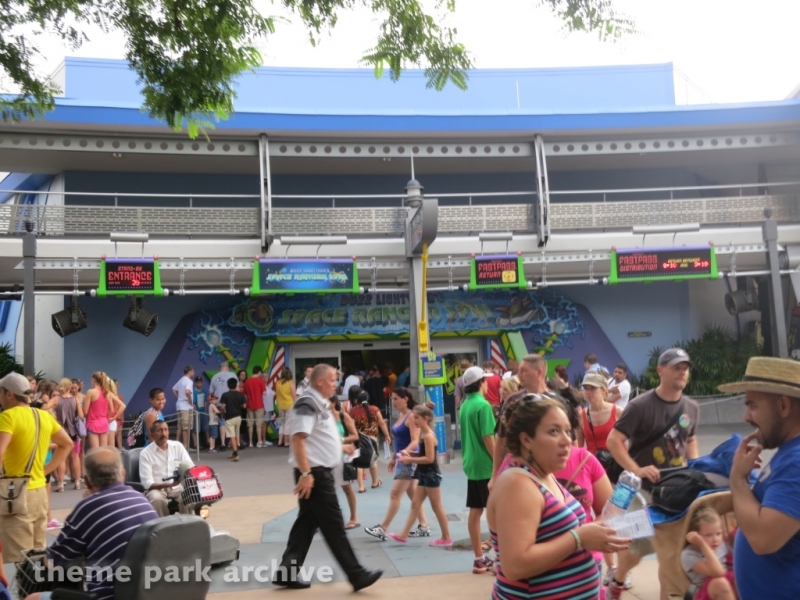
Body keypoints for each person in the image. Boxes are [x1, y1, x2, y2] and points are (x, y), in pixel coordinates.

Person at [487, 395, 630, 600]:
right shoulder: (517, 484)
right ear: (526, 439)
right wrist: (579, 538)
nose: (566, 440)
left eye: (567, 430)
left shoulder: (544, 475)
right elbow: (515, 565)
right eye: (554, 431)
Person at [273, 364, 382, 591]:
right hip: (314, 474)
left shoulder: (320, 404)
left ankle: (287, 571)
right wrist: (305, 474)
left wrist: (340, 448)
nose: (336, 384)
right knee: (333, 526)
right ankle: (356, 574)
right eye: (332, 380)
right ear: (320, 381)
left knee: (306, 523)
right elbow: (298, 439)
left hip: (318, 472)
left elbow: (316, 438)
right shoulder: (306, 403)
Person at [605, 348, 700, 599]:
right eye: (676, 367)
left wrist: (696, 466)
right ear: (660, 370)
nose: (682, 372)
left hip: (677, 490)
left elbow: (690, 439)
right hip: (642, 490)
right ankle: (618, 578)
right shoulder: (640, 406)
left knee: (670, 553)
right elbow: (614, 441)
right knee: (637, 550)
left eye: (685, 367)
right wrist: (636, 469)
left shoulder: (691, 407)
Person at [26, 447, 159, 600]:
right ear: (123, 474)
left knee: (32, 597)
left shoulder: (88, 507)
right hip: (147, 591)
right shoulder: (142, 499)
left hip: (108, 595)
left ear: (87, 481)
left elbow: (55, 560)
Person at [718, 356, 800, 600]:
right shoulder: (788, 455)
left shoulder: (797, 462)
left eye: (752, 405)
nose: (746, 417)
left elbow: (764, 539)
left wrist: (737, 479)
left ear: (783, 406)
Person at [0, 373, 73, 562]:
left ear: (9, 394)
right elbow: (67, 444)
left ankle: (27, 592)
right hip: (40, 492)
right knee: (38, 556)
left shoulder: (7, 417)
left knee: (21, 561)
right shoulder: (43, 416)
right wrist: (47, 470)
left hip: (15, 494)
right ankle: (39, 591)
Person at [366, 387, 429, 541]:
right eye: (392, 399)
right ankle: (424, 526)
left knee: (395, 493)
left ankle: (383, 528)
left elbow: (415, 441)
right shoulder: (401, 415)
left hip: (408, 460)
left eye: (395, 399)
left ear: (405, 399)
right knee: (413, 493)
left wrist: (402, 454)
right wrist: (394, 456)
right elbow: (400, 441)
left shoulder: (411, 415)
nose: (392, 402)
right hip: (403, 458)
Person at [386, 404, 452, 547]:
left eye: (416, 418)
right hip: (423, 473)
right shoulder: (424, 434)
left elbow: (429, 458)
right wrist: (410, 453)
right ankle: (403, 535)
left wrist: (410, 459)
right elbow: (424, 454)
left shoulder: (428, 436)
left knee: (437, 507)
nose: (414, 420)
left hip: (430, 474)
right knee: (415, 504)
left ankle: (446, 537)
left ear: (425, 419)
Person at [458, 366, 496, 574]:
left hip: (471, 464)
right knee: (496, 512)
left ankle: (479, 558)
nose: (488, 383)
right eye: (485, 380)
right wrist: (498, 461)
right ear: (481, 383)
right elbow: (488, 437)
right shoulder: (483, 406)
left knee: (475, 510)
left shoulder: (465, 405)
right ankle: (500, 559)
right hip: (487, 466)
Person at [139, 420, 194, 517]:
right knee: (156, 499)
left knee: (189, 496)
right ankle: (163, 527)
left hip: (177, 487)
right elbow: (147, 483)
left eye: (165, 430)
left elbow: (190, 467)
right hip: (157, 488)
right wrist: (168, 484)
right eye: (159, 430)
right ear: (152, 434)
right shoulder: (145, 453)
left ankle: (188, 526)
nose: (163, 433)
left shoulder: (178, 447)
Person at [681, 507, 736, 600]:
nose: (715, 539)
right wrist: (702, 544)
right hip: (704, 593)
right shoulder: (688, 555)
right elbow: (719, 573)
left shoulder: (720, 545)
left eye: (718, 533)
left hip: (728, 587)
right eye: (708, 535)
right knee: (720, 583)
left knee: (741, 577)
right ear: (695, 535)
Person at [349, 391, 391, 493]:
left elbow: (350, 426)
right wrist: (387, 435)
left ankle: (361, 487)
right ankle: (374, 482)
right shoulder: (374, 409)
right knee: (373, 460)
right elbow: (381, 423)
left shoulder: (353, 411)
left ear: (357, 400)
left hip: (358, 439)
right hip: (372, 439)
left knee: (359, 462)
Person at [328, 395, 360, 529]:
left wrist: (340, 441)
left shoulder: (343, 416)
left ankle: (354, 517)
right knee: (325, 489)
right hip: (325, 458)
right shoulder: (321, 418)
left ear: (333, 403)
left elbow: (355, 435)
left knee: (346, 488)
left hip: (342, 457)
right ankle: (324, 519)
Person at [581, 372, 623, 463]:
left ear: (603, 390)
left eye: (592, 388)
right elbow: (579, 448)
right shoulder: (581, 415)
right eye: (585, 388)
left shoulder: (618, 412)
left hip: (617, 463)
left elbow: (632, 440)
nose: (588, 392)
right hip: (593, 466)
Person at [53, 378, 83, 492]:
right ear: (69, 386)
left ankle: (60, 484)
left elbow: (45, 407)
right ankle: (77, 481)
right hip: (74, 432)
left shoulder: (56, 399)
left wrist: (55, 418)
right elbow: (81, 415)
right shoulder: (75, 399)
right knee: (75, 456)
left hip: (61, 432)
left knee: (62, 458)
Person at [83, 371, 115, 449]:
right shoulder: (107, 393)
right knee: (103, 451)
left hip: (93, 424)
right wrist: (105, 418)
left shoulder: (90, 392)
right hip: (104, 423)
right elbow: (111, 410)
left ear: (94, 380)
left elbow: (85, 412)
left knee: (95, 452)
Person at [220, 377, 247, 461]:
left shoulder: (225, 395)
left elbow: (223, 406)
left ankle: (236, 453)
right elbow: (244, 406)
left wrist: (222, 413)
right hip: (238, 417)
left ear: (228, 385)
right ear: (236, 385)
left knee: (232, 436)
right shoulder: (240, 394)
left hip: (229, 417)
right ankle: (233, 452)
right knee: (236, 435)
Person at [172, 365, 195, 448]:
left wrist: (179, 397)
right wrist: (190, 401)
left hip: (179, 404)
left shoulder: (181, 380)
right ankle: (185, 446)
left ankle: (177, 444)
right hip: (186, 406)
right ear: (189, 371)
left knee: (180, 426)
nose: (194, 372)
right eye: (193, 371)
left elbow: (173, 389)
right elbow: (187, 391)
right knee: (186, 427)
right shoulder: (189, 381)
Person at [244, 366, 267, 448]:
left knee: (250, 424)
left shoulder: (247, 381)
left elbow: (245, 394)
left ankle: (250, 442)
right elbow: (264, 393)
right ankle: (259, 442)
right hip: (259, 404)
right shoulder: (260, 381)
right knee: (259, 424)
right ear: (259, 372)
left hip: (250, 405)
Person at [276, 368, 296, 447]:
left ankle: (280, 441)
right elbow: (293, 395)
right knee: (288, 423)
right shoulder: (291, 383)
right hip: (289, 404)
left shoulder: (278, 383)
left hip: (280, 405)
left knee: (282, 423)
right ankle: (286, 441)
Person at [191, 376, 209, 449]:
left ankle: (208, 441)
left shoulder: (204, 391)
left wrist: (205, 410)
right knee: (196, 428)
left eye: (200, 382)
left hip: (203, 412)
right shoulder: (194, 392)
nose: (199, 384)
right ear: (195, 383)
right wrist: (195, 411)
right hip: (197, 412)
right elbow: (194, 403)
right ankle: (196, 444)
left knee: (206, 427)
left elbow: (205, 401)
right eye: (198, 382)